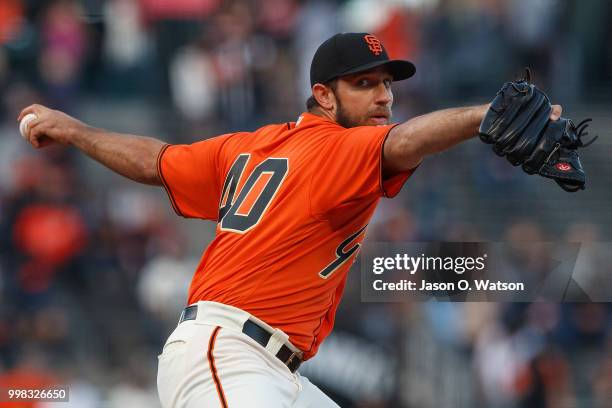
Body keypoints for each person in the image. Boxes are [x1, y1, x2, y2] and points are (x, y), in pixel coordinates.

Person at [18, 32, 562, 407]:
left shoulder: (249, 147)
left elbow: (156, 160)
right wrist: (482, 116)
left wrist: (74, 129)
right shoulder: (334, 149)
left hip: (274, 369)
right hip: (231, 355)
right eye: (364, 84)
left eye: (387, 84)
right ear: (323, 96)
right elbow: (404, 140)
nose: (384, 97)